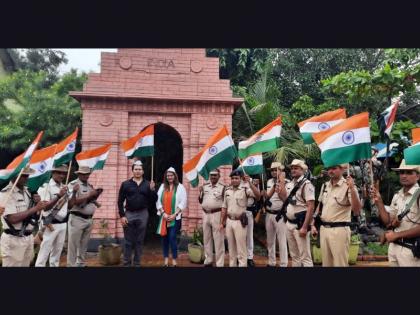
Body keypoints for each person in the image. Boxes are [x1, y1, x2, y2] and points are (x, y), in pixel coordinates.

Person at [371, 159, 420, 266]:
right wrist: (379, 201)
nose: (404, 176)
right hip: (394, 248)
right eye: (401, 172)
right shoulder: (397, 195)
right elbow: (388, 221)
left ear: (418, 176)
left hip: (411, 251)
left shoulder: (418, 196)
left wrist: (397, 235)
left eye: (409, 172)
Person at [311, 163, 362, 267]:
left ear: (342, 169)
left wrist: (352, 188)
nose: (331, 171)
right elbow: (320, 206)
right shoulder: (325, 185)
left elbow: (356, 210)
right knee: (326, 264)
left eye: (334, 168)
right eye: (329, 168)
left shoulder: (348, 185)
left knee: (340, 264)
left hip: (339, 230)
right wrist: (312, 224)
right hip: (324, 229)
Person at [0, 166, 48, 267]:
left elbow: (34, 216)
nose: (26, 178)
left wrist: (37, 204)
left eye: (27, 175)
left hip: (28, 237)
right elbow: (12, 218)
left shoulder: (28, 192)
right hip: (13, 239)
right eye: (22, 175)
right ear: (14, 176)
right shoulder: (6, 193)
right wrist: (35, 208)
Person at [118, 160, 157, 267]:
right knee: (128, 241)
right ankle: (126, 263)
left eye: (140, 169)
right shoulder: (125, 184)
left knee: (139, 240)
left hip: (143, 214)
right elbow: (120, 201)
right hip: (129, 214)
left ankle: (137, 263)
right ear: (132, 171)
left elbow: (154, 200)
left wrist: (153, 190)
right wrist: (122, 216)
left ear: (143, 171)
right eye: (136, 169)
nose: (138, 171)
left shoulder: (148, 184)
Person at [278, 159, 315, 267]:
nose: (293, 170)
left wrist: (304, 227)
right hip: (289, 223)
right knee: (294, 256)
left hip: (300, 224)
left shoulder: (306, 184)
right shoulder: (290, 183)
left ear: (303, 170)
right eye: (292, 168)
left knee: (305, 257)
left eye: (296, 168)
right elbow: (285, 199)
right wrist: (280, 186)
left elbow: (311, 206)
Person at [220, 169, 259, 267]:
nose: (234, 180)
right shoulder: (227, 190)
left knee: (241, 250)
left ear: (241, 179)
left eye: (236, 178)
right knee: (231, 250)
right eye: (232, 178)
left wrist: (250, 182)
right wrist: (222, 222)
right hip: (229, 221)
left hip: (240, 222)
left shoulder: (246, 189)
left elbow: (258, 196)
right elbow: (224, 207)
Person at [67, 166, 102, 267]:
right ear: (78, 174)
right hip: (77, 218)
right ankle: (71, 265)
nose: (86, 176)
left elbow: (90, 198)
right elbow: (72, 202)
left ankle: (80, 263)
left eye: (87, 174)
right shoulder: (73, 185)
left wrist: (96, 198)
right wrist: (89, 195)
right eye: (83, 174)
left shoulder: (89, 186)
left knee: (84, 244)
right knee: (73, 244)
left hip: (88, 219)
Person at [35, 164, 70, 267]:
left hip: (63, 223)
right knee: (44, 253)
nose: (62, 175)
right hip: (49, 223)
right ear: (53, 172)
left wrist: (72, 193)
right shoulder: (45, 187)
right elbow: (44, 207)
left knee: (57, 254)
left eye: (63, 173)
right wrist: (59, 195)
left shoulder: (64, 187)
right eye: (59, 172)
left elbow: (70, 205)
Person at [156, 167, 187, 267]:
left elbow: (183, 202)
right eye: (168, 175)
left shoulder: (180, 187)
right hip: (164, 217)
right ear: (166, 176)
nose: (169, 177)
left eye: (171, 175)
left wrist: (175, 214)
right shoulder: (162, 187)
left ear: (175, 176)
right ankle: (165, 259)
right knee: (164, 238)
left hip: (175, 218)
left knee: (172, 238)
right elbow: (158, 201)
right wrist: (163, 213)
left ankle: (174, 259)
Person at [198, 168, 226, 267]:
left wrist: (223, 220)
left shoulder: (223, 187)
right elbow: (200, 201)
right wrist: (200, 192)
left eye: (215, 175)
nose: (213, 177)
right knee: (207, 238)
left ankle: (219, 263)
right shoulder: (205, 186)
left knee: (218, 239)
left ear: (219, 176)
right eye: (211, 175)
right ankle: (208, 259)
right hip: (205, 214)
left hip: (217, 214)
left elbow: (225, 204)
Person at [263, 162, 289, 267]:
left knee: (282, 240)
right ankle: (271, 262)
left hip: (280, 214)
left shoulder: (287, 182)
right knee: (270, 240)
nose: (274, 172)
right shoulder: (269, 182)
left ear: (281, 171)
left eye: (276, 170)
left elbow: (286, 198)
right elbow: (267, 197)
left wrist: (281, 181)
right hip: (269, 214)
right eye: (272, 170)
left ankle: (283, 263)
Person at [239, 171, 261, 267]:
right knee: (239, 236)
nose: (244, 174)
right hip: (238, 212)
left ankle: (249, 257)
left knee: (249, 236)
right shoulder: (237, 182)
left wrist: (251, 184)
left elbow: (258, 196)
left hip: (248, 211)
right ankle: (239, 256)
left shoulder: (253, 182)